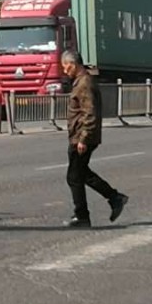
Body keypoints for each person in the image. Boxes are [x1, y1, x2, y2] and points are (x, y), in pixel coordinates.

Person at [61, 49, 129, 228]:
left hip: (82, 137)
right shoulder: (81, 81)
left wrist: (83, 138)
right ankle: (114, 198)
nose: (64, 70)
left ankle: (84, 215)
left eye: (65, 66)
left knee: (74, 176)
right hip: (80, 136)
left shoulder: (84, 83)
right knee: (80, 174)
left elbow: (90, 113)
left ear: (73, 64)